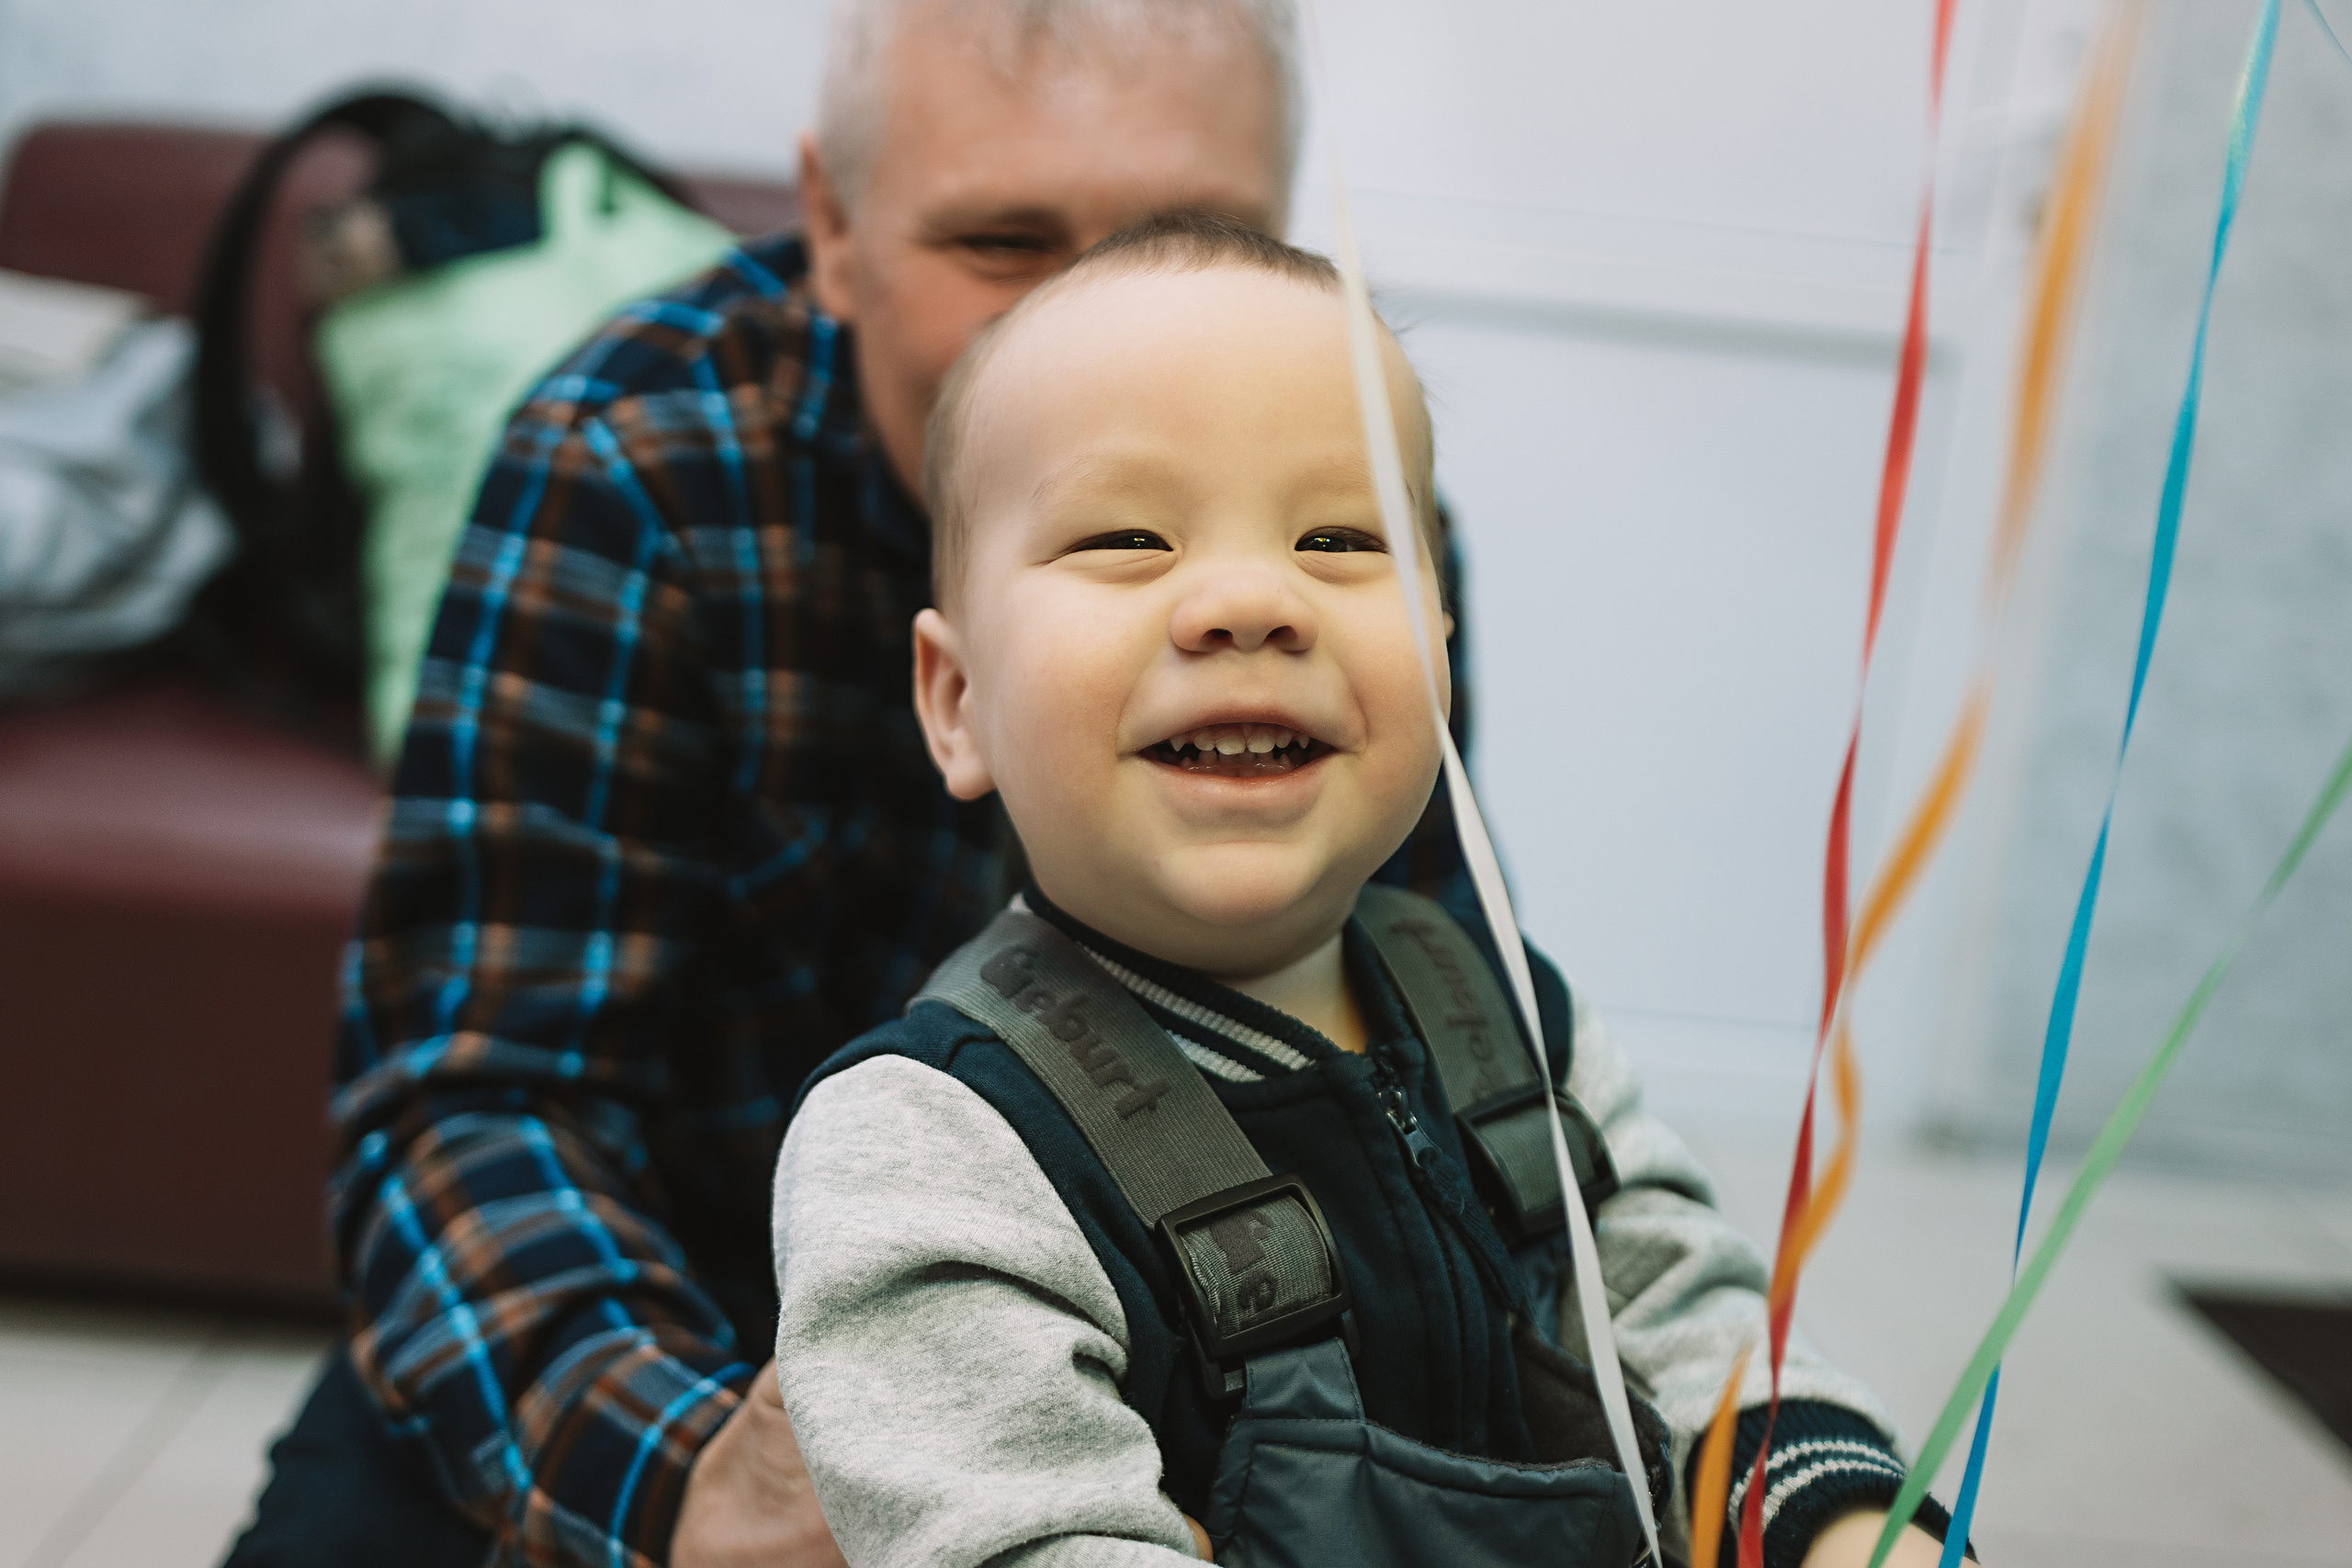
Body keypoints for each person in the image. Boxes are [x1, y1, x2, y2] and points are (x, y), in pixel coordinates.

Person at [225, 3, 1481, 1566]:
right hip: (673, 1307)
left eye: (1180, 235)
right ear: (831, 224)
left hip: (1154, 1326)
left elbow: (1410, 1048)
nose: (1083, 325)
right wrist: (687, 1473)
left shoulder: (1335, 545)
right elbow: (470, 1099)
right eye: (1006, 241)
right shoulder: (630, 468)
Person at [769, 215, 1963, 1567]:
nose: (1249, 602)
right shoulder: (930, 1144)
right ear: (957, 700)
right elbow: (1016, 1533)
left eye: (1339, 537)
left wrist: (1849, 1520)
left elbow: (1687, 1317)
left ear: (1442, 654)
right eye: (1128, 538)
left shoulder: (1506, 1013)